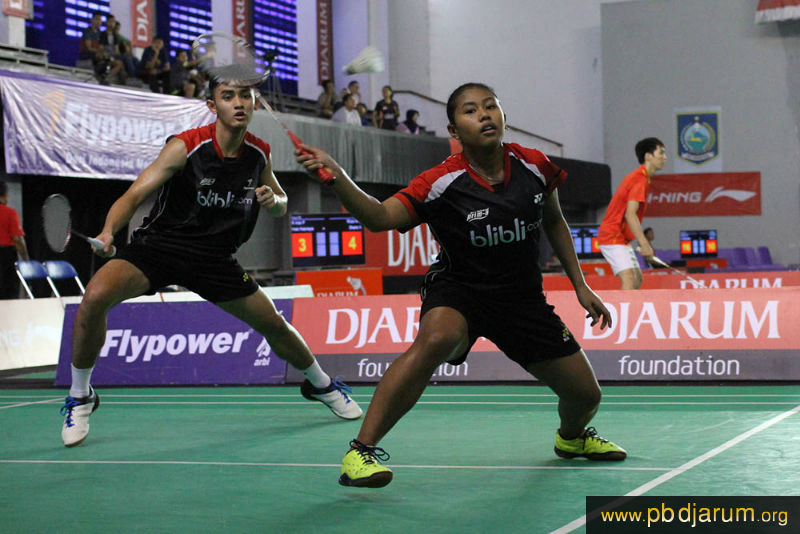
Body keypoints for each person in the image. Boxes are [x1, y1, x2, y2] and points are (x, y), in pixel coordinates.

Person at [296, 82, 626, 489]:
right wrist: (338, 178)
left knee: (586, 396)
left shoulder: (534, 166)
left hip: (522, 300)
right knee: (437, 338)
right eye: (471, 111)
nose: (484, 115)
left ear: (503, 116)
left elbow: (554, 221)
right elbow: (380, 218)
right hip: (460, 290)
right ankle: (360, 452)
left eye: (490, 106)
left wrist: (581, 286)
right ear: (454, 131)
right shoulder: (440, 182)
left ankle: (572, 439)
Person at [59, 77, 363, 448]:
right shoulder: (186, 147)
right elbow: (135, 193)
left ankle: (322, 385)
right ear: (212, 105)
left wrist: (274, 201)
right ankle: (81, 395)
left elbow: (281, 202)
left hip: (215, 259)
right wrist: (109, 232)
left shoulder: (258, 154)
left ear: (254, 103)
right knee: (94, 298)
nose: (239, 103)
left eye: (245, 96)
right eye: (228, 96)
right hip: (160, 247)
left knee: (273, 324)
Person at [597, 138, 666, 289]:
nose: (664, 157)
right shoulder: (639, 179)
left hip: (621, 237)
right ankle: (621, 306)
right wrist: (644, 244)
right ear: (648, 156)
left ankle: (628, 305)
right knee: (628, 277)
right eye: (661, 153)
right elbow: (631, 214)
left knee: (636, 279)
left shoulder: (645, 179)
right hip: (611, 235)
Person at [0, 181, 29, 299]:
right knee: (8, 294)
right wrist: (26, 258)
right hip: (5, 257)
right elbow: (17, 239)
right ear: (5, 194)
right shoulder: (10, 213)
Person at [80, 11, 123, 85]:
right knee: (101, 56)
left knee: (118, 63)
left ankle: (106, 78)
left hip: (100, 54)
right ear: (92, 20)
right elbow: (89, 48)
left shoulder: (101, 33)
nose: (98, 21)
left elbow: (102, 47)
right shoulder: (87, 31)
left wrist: (104, 53)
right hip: (88, 53)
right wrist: (101, 52)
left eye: (100, 20)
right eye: (96, 19)